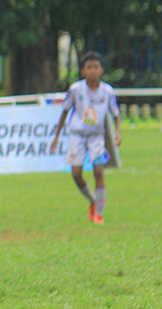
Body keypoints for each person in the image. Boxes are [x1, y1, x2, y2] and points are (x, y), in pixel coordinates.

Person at [50, 51, 121, 224]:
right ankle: (92, 199)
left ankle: (99, 213)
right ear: (83, 71)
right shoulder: (76, 89)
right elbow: (65, 111)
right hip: (78, 135)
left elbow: (116, 114)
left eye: (95, 67)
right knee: (76, 173)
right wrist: (56, 137)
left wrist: (118, 133)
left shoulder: (107, 91)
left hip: (96, 136)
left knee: (98, 171)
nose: (92, 71)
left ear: (101, 70)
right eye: (88, 68)